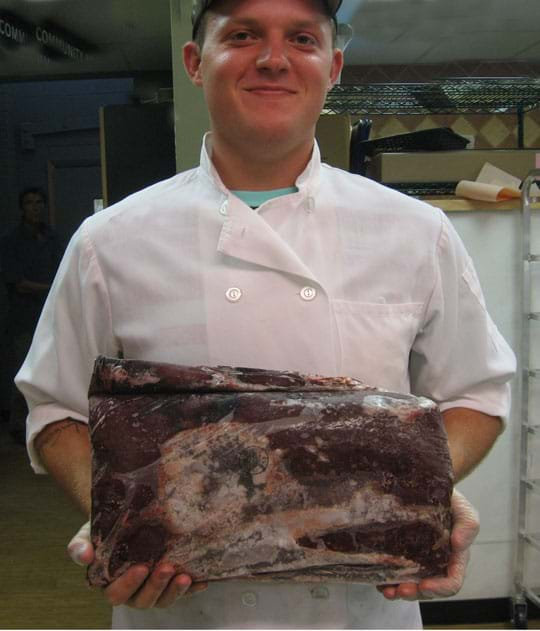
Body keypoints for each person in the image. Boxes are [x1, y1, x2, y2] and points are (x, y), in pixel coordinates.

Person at [16, 0, 516, 628]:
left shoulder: (416, 231)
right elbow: (55, 410)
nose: (274, 59)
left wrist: (422, 490)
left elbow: (476, 393)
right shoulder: (109, 242)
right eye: (244, 35)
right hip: (182, 606)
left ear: (332, 66)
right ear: (196, 63)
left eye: (301, 38)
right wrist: (121, 514)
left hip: (355, 609)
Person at [1, 187, 63, 444]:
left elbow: (65, 269)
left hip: (52, 316)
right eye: (29, 202)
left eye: (39, 202)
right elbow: (17, 282)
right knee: (23, 371)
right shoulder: (12, 241)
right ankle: (19, 426)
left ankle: (53, 424)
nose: (35, 207)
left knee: (55, 369)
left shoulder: (54, 237)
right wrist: (52, 288)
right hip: (24, 316)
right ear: (22, 207)